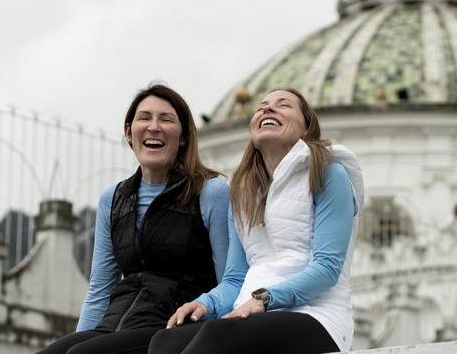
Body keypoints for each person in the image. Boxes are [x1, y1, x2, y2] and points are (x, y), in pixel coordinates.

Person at [148, 88, 365, 354]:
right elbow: (235, 279)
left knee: (219, 334)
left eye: (283, 105)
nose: (267, 109)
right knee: (165, 340)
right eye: (261, 106)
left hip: (318, 316)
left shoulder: (329, 173)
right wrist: (206, 303)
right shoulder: (242, 192)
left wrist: (264, 299)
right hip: (253, 313)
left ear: (307, 128)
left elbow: (327, 268)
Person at [37, 84, 230, 354]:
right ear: (129, 132)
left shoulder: (210, 192)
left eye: (166, 120)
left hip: (173, 327)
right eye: (144, 118)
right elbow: (100, 289)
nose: (154, 127)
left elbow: (229, 280)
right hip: (114, 325)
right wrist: (80, 338)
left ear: (184, 137)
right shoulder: (113, 198)